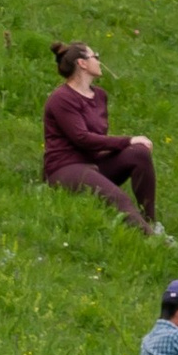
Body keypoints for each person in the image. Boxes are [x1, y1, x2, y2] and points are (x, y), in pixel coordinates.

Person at [41, 40, 158, 232]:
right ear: (82, 63)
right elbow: (82, 138)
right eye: (95, 56)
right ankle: (152, 241)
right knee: (119, 198)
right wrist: (128, 140)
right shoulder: (61, 98)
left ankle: (152, 223)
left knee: (139, 153)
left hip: (93, 164)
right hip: (65, 168)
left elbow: (97, 138)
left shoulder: (100, 96)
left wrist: (130, 147)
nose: (99, 61)